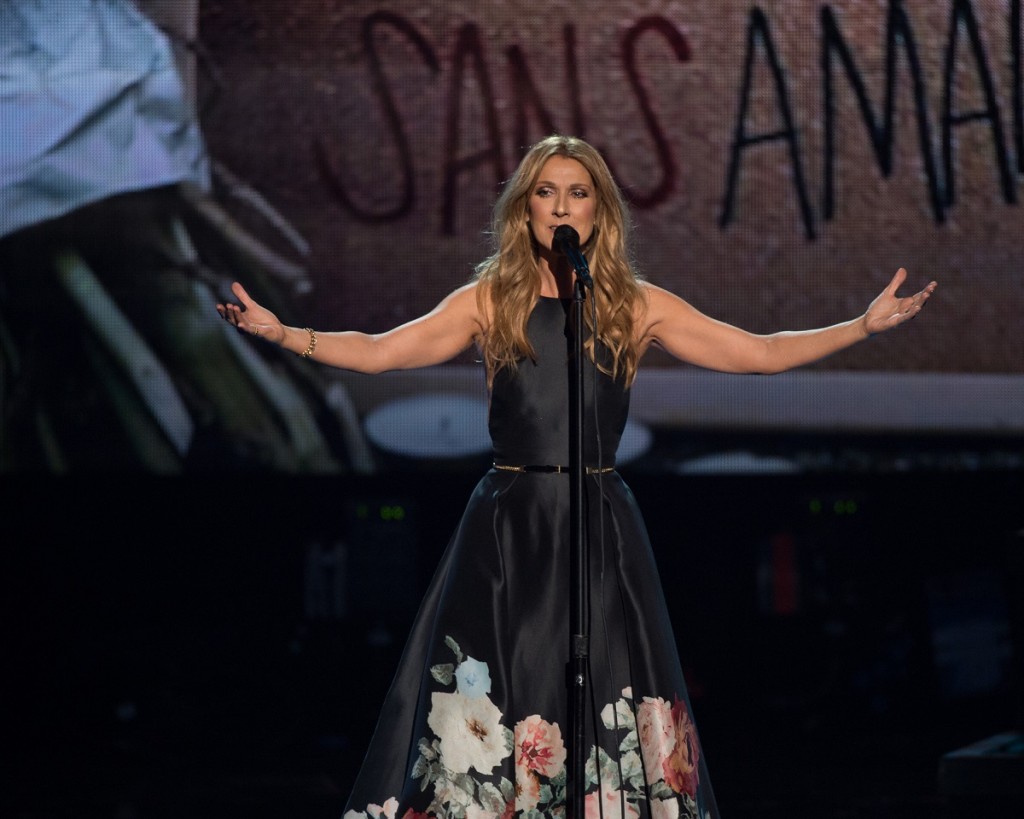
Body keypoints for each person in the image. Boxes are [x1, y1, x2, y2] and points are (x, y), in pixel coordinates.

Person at [217, 134, 936, 819]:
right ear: (524, 207)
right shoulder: (491, 297)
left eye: (579, 193)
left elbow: (759, 352)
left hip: (599, 521)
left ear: (600, 209)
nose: (562, 207)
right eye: (546, 192)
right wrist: (286, 335)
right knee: (505, 677)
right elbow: (381, 351)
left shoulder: (631, 303)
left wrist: (859, 327)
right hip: (510, 525)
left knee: (605, 683)